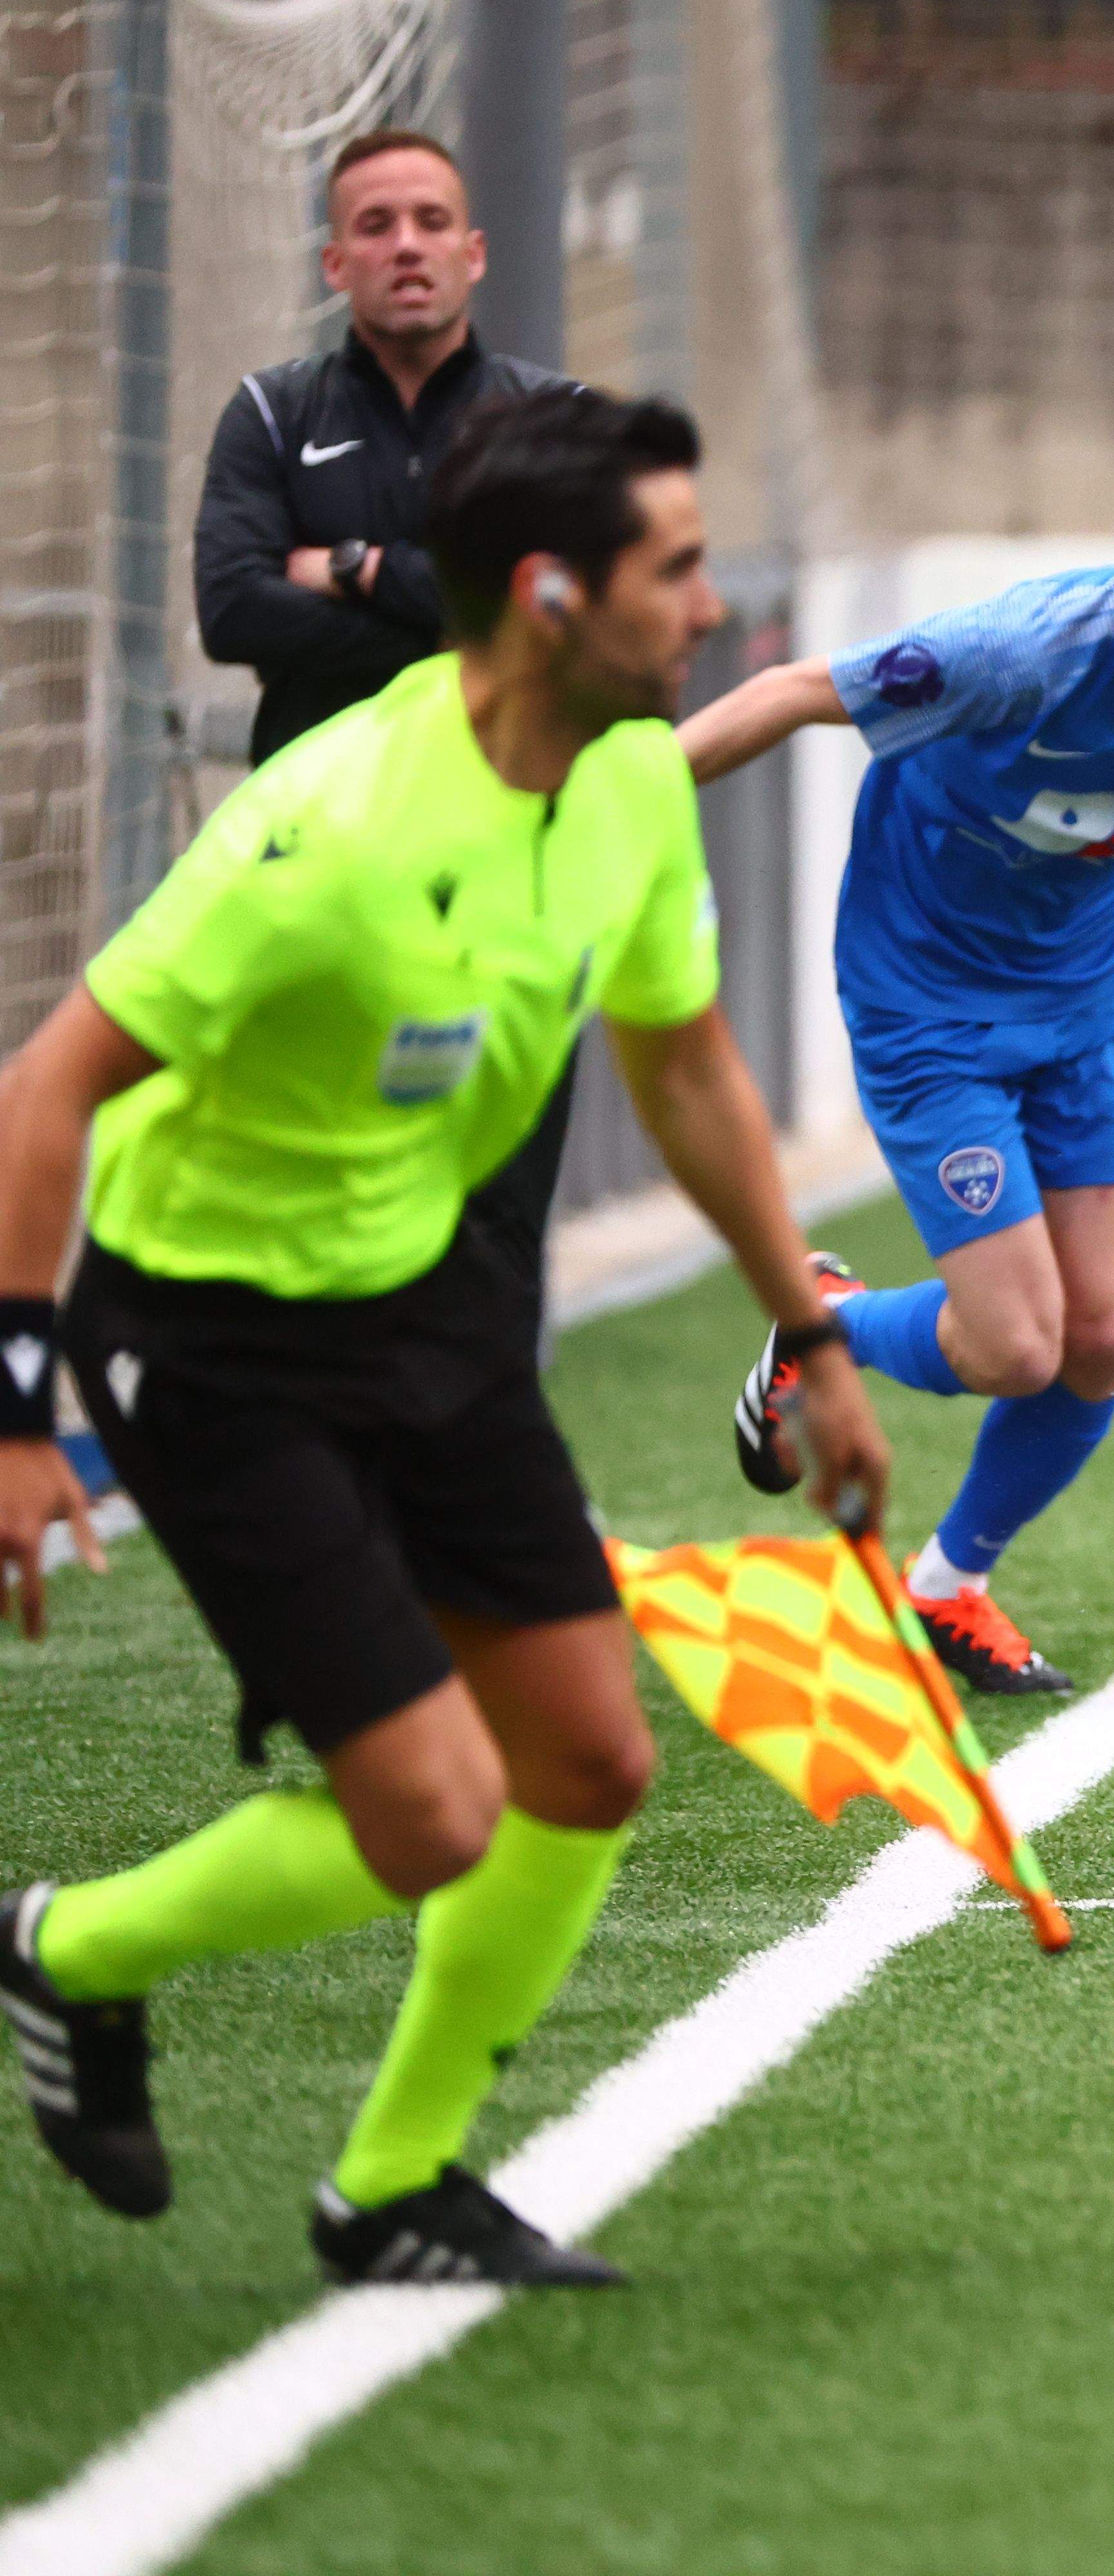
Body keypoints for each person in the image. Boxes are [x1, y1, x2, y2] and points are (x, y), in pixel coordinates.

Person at [0, 393, 886, 2286]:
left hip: (425, 1312)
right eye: (677, 567)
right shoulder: (324, 830)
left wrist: (808, 1328)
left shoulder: (636, 774)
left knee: (587, 1766)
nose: (714, 603)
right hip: (208, 1337)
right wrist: (14, 1411)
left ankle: (394, 2186)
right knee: (427, 1815)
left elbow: (689, 1064)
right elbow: (44, 1092)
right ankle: (64, 1953)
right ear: (553, 595)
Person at [681, 440, 1114, 1695]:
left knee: (1106, 1334)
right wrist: (608, 794)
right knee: (1020, 1344)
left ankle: (947, 1585)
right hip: (925, 999)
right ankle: (825, 1327)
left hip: (1083, 1006)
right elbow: (802, 690)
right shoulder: (1019, 652)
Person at [191, 126, 592, 1353]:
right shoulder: (271, 413)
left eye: (429, 222)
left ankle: (482, 1481)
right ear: (334, 261)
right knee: (325, 1185)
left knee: (495, 1209)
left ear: (474, 254)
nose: (404, 246)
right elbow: (232, 611)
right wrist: (457, 607)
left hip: (511, 871)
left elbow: (566, 621)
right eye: (375, 226)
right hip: (320, 872)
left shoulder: (552, 418)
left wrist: (352, 569)